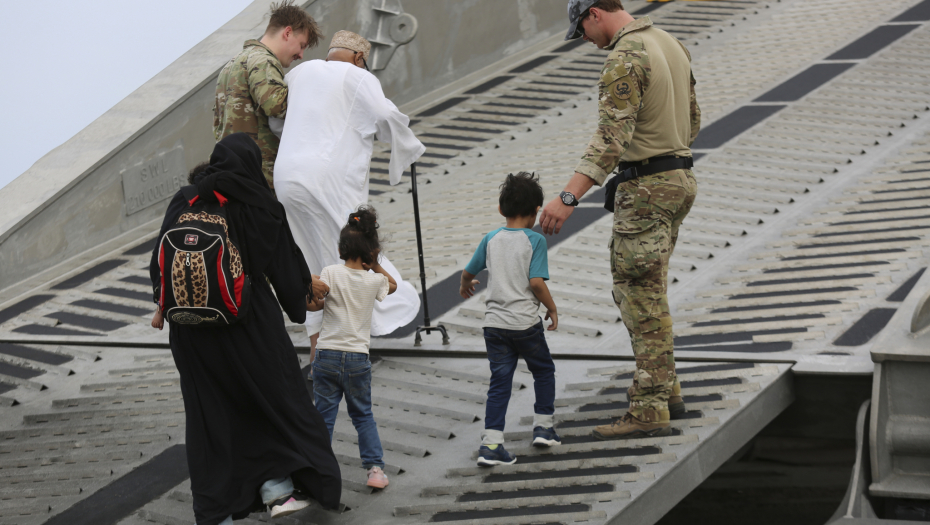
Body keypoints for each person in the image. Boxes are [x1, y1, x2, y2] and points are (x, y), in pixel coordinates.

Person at [149, 133, 341, 524]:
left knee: (210, 416)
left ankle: (213, 507)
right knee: (274, 401)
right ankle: (279, 490)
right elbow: (287, 275)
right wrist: (303, 297)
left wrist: (165, 307)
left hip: (189, 331)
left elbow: (158, 264)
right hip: (247, 325)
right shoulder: (260, 205)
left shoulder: (185, 199)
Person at [539, 0, 700, 440]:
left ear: (594, 12)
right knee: (652, 289)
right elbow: (693, 119)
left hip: (647, 188)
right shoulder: (670, 43)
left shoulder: (625, 56)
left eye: (583, 30)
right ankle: (668, 393)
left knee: (637, 296)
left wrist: (568, 196)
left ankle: (648, 409)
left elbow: (612, 137)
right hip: (679, 178)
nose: (587, 40)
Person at [270, 30, 425, 359]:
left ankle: (318, 352)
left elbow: (276, 122)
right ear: (359, 58)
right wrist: (407, 144)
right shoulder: (358, 76)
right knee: (348, 259)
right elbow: (383, 117)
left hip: (286, 178)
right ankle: (349, 349)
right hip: (326, 180)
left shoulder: (299, 73)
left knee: (310, 264)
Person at [460, 172, 561, 466]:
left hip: (494, 326)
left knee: (500, 383)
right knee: (543, 370)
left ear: (501, 209)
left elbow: (469, 271)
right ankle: (544, 427)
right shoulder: (535, 240)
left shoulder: (490, 239)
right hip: (525, 325)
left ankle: (491, 445)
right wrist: (552, 308)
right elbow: (537, 283)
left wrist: (465, 285)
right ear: (535, 212)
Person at [308, 206, 396, 489]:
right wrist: (375, 263)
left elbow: (314, 303)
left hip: (327, 356)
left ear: (341, 248)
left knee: (324, 416)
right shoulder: (374, 280)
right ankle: (375, 471)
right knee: (363, 415)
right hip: (358, 359)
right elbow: (393, 285)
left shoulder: (331, 273)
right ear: (371, 251)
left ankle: (317, 470)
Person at [213, 0, 321, 190]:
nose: (301, 55)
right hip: (258, 179)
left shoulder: (231, 65)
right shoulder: (263, 61)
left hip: (229, 174)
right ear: (287, 33)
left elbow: (217, 125)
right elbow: (275, 104)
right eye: (301, 45)